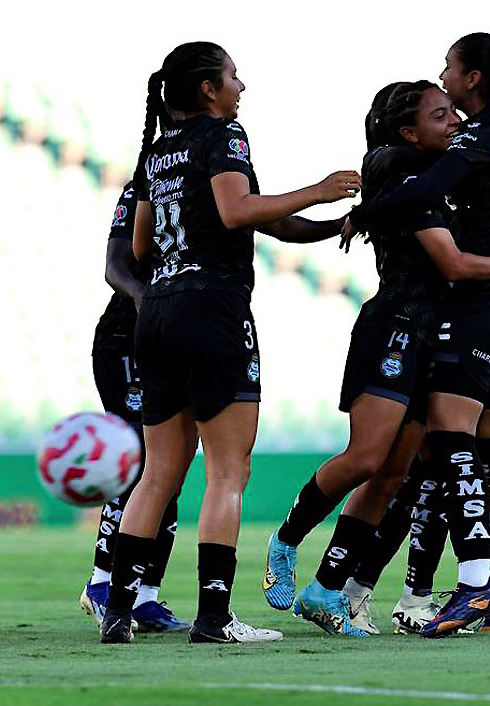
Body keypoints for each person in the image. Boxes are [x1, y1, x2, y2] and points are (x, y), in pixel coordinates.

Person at [265, 78, 490, 637]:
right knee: (367, 458)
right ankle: (286, 541)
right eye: (440, 115)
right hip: (396, 327)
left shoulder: (442, 176)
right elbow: (449, 263)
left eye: (454, 113)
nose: (454, 123)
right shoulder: (399, 166)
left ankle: (329, 590)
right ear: (408, 131)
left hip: (431, 335)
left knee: (397, 470)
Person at [98, 41, 359, 645]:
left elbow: (140, 248)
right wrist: (319, 191)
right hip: (212, 308)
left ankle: (117, 609)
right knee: (227, 471)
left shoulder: (156, 151)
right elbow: (239, 211)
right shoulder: (225, 135)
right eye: (234, 77)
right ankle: (214, 617)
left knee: (159, 471)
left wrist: (325, 227)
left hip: (156, 310)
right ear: (209, 91)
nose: (242, 87)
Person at [345, 33, 490, 637]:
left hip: (481, 301)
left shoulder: (480, 134)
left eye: (449, 69)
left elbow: (424, 191)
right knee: (487, 443)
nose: (444, 77)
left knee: (451, 437)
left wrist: (366, 211)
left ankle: (474, 586)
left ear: (473, 79)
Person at [78, 181, 187, 633]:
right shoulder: (146, 185)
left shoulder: (217, 179)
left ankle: (145, 596)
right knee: (139, 463)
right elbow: (115, 267)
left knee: (171, 469)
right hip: (128, 339)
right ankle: (102, 583)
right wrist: (147, 302)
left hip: (179, 341)